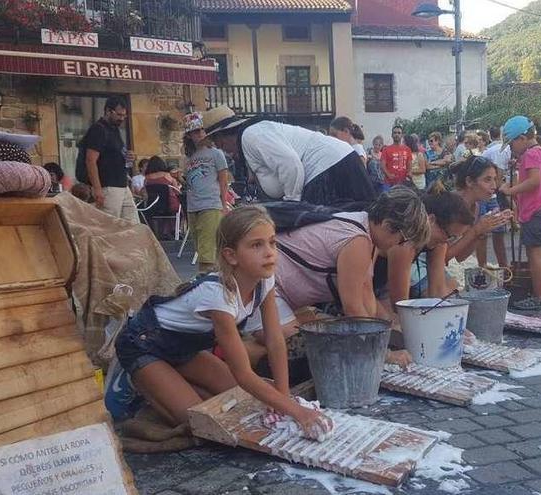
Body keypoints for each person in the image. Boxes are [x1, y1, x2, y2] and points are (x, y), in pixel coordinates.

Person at [112, 206, 334, 436]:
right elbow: (244, 374)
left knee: (243, 403)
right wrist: (297, 411)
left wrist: (283, 393)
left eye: (272, 242)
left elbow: (275, 340)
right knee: (199, 424)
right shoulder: (218, 296)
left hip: (183, 349)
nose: (269, 252)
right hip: (143, 344)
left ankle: (167, 382)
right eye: (257, 245)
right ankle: (140, 381)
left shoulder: (264, 281)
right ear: (231, 255)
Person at [244, 187, 432, 367]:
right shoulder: (357, 241)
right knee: (303, 347)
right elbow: (353, 307)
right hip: (268, 287)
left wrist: (390, 332)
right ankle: (232, 354)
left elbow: (367, 297)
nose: (396, 247)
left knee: (322, 333)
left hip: (282, 292)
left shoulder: (366, 232)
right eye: (401, 241)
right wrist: (382, 353)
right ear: (387, 225)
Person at [205, 106, 375, 206]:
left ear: (224, 135)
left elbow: (291, 166)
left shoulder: (252, 136)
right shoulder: (252, 137)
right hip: (334, 163)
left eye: (219, 143)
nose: (222, 149)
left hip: (327, 169)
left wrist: (291, 205)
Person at [499, 116, 541, 311]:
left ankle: (539, 297)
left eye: (511, 144)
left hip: (537, 212)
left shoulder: (530, 155)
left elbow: (534, 181)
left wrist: (510, 190)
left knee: (535, 256)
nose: (510, 149)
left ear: (522, 138)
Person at [386, 191, 474, 304]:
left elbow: (438, 292)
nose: (447, 242)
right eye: (449, 236)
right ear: (431, 220)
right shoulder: (404, 243)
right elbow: (399, 304)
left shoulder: (440, 242)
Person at [440, 155, 512, 264]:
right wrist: (477, 230)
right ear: (469, 181)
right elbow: (440, 258)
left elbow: (459, 256)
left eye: (495, 179)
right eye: (487, 180)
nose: (494, 186)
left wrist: (482, 232)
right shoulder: (450, 205)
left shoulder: (475, 206)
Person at [183, 112, 231, 274]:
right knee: (202, 247)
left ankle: (205, 280)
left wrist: (223, 204)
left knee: (207, 250)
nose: (200, 134)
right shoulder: (189, 158)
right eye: (195, 131)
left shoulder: (216, 154)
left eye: (202, 130)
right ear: (189, 135)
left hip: (210, 204)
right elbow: (192, 182)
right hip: (192, 206)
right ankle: (216, 279)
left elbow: (224, 181)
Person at [84, 96, 139, 223]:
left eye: (124, 116)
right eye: (119, 115)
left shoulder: (114, 130)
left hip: (122, 185)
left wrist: (129, 156)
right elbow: (90, 160)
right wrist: (97, 189)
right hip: (108, 186)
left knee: (132, 226)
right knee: (109, 227)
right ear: (108, 111)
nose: (122, 118)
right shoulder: (98, 129)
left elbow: (113, 155)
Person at [478, 125, 512, 269]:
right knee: (482, 233)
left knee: (498, 231)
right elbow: (497, 179)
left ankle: (503, 266)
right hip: (484, 195)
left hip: (493, 195)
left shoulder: (509, 151)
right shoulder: (503, 151)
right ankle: (482, 265)